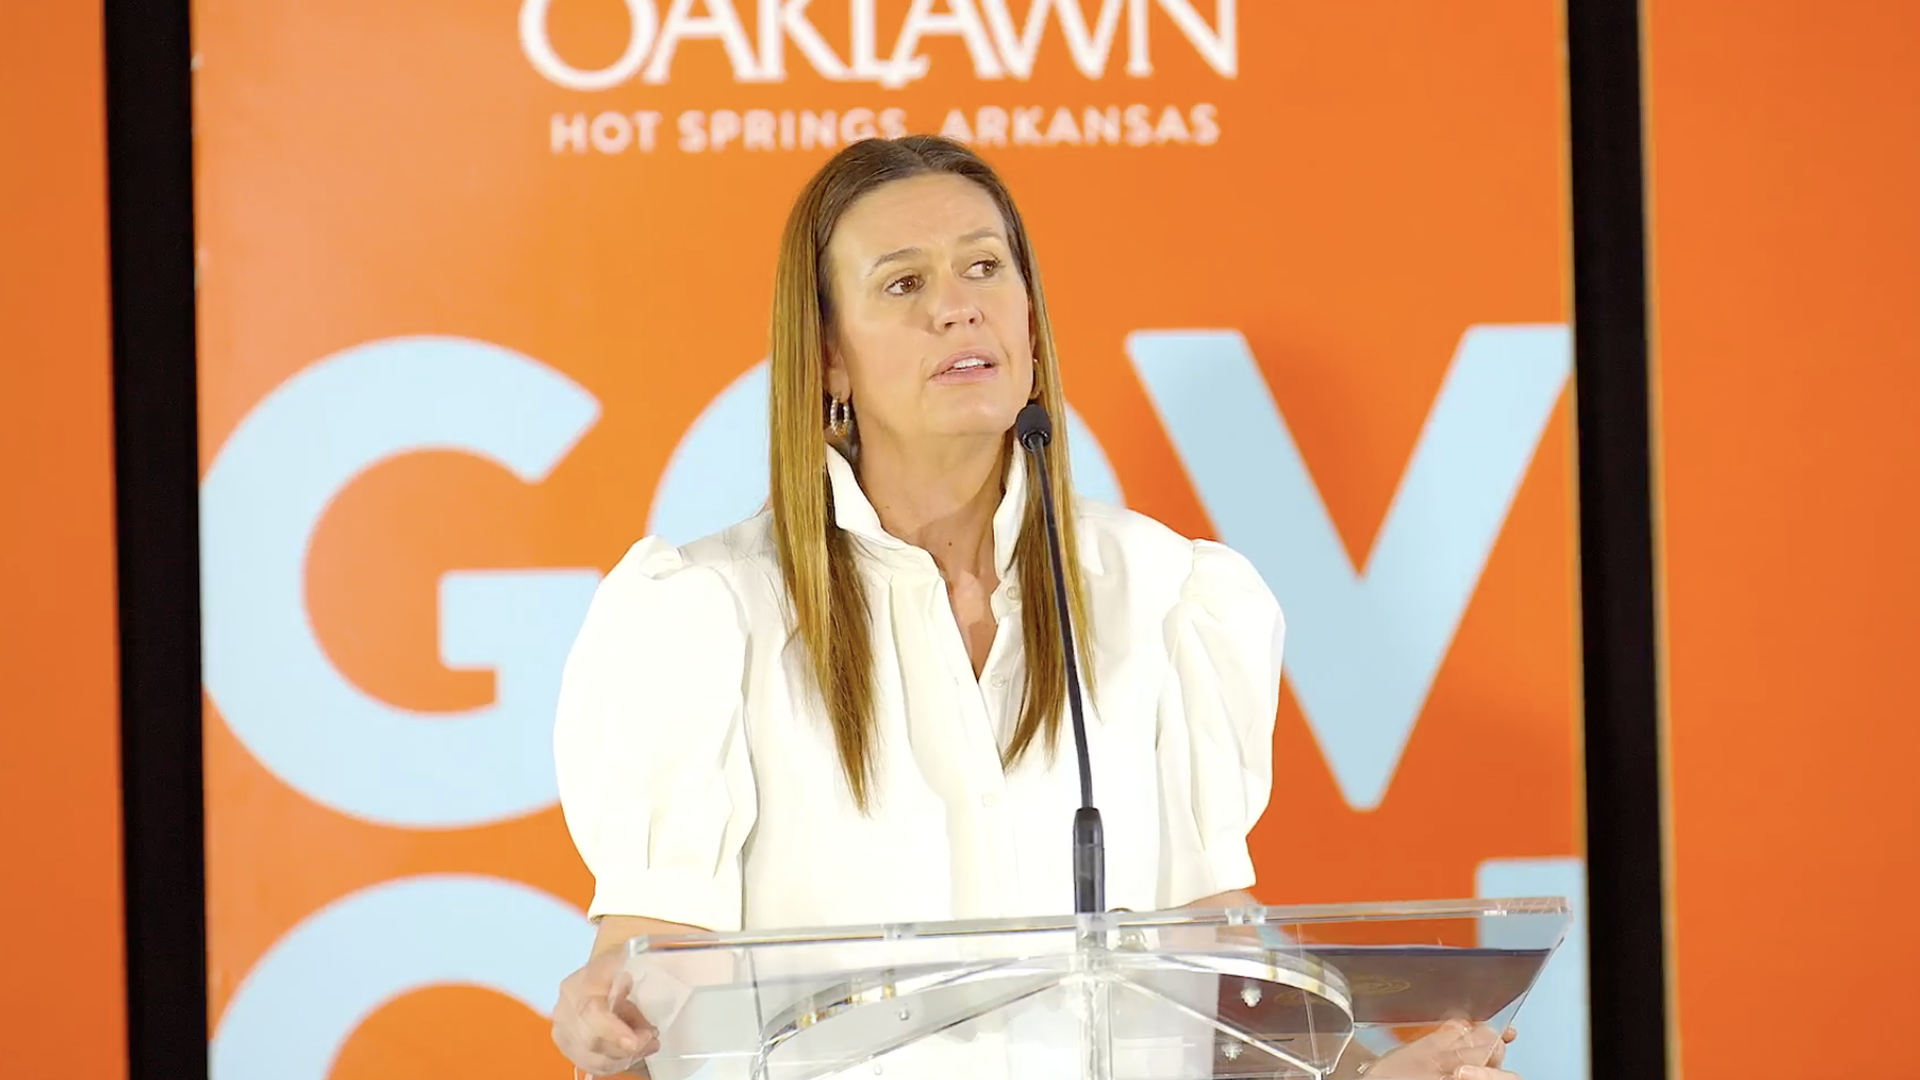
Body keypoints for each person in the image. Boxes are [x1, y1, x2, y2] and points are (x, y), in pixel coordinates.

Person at [546, 135, 1522, 1080]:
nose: (959, 308)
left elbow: (1221, 985)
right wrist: (606, 1013)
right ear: (829, 357)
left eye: (984, 268)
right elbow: (650, 971)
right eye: (904, 283)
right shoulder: (709, 616)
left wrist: (1372, 1077)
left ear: (1028, 323)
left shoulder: (1162, 594)